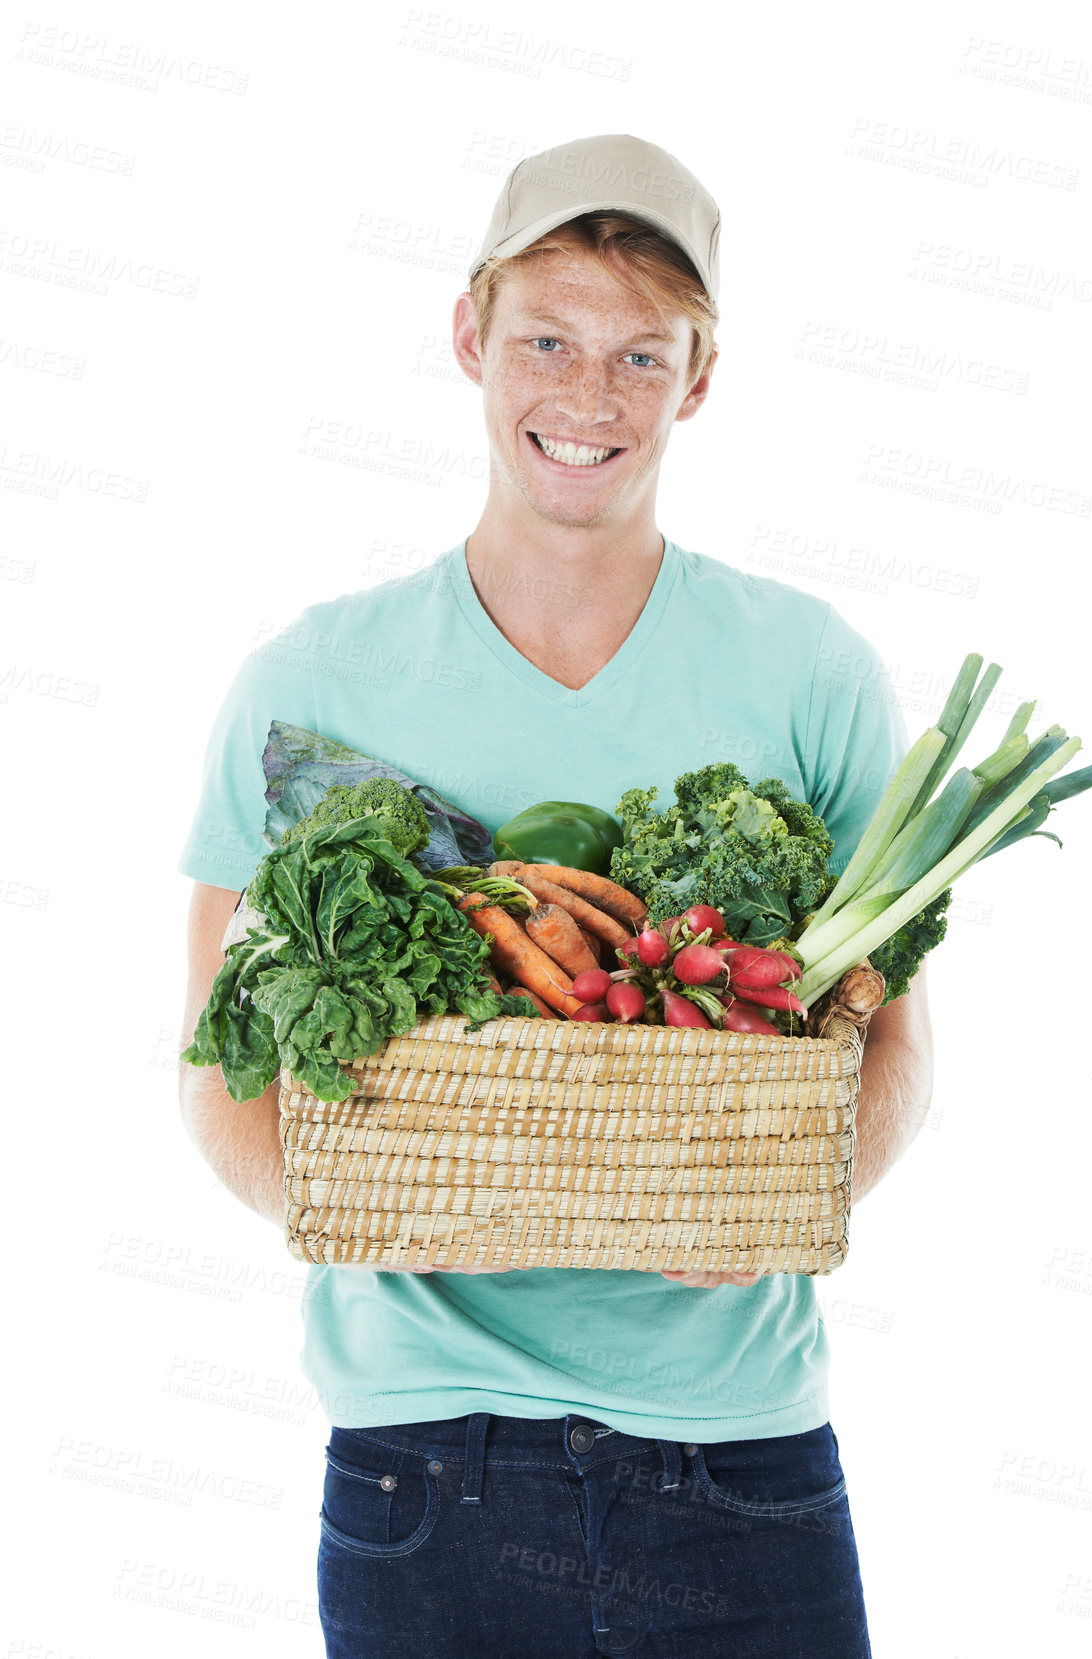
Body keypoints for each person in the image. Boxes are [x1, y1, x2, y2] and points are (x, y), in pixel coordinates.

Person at [177, 132, 934, 1658]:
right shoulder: (314, 682)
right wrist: (368, 1209)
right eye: (546, 339)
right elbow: (217, 1062)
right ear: (470, 335)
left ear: (697, 380)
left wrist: (789, 1202)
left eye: (639, 355)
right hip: (424, 1462)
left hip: (743, 1453)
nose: (586, 398)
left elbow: (896, 1043)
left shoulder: (808, 673)